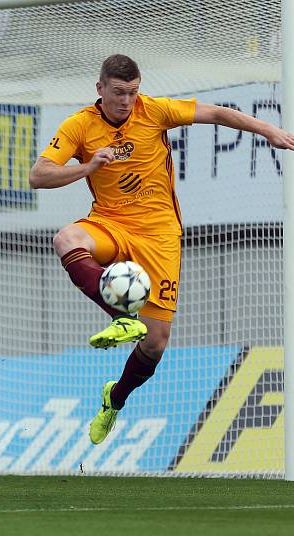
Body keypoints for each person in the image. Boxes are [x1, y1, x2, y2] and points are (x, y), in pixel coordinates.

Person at [29, 54, 294, 445]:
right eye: (118, 92)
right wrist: (86, 168)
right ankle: (120, 316)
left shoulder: (154, 111)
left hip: (159, 236)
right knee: (65, 238)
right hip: (110, 223)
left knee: (154, 345)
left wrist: (267, 129)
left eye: (132, 92)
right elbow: (38, 175)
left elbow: (219, 114)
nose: (125, 101)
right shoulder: (80, 125)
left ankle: (114, 399)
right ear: (100, 89)